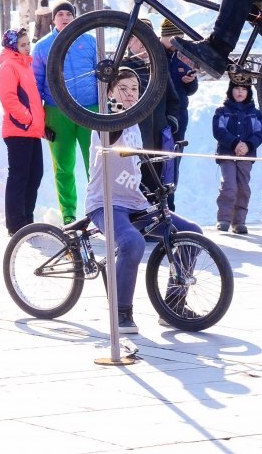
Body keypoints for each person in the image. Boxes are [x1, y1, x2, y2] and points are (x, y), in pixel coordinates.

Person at [84, 68, 202, 334]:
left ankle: (173, 304)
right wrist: (115, 109)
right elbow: (111, 132)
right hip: (106, 202)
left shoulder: (136, 122)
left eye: (134, 90)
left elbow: (139, 163)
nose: (130, 94)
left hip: (135, 202)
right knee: (132, 242)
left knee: (192, 232)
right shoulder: (107, 122)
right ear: (111, 92)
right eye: (123, 89)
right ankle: (121, 312)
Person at [31, 1, 97, 224]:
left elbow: (104, 76)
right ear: (53, 19)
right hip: (57, 112)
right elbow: (35, 86)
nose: (65, 17)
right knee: (63, 167)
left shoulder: (89, 42)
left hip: (90, 110)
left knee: (95, 165)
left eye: (69, 13)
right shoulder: (42, 47)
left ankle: (98, 211)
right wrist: (40, 121)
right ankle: (69, 215)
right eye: (60, 14)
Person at [123, 22, 181, 198]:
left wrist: (170, 122)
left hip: (159, 140)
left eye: (147, 36)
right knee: (136, 189)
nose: (142, 41)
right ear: (128, 42)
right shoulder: (123, 68)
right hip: (133, 141)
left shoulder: (158, 66)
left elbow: (173, 100)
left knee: (160, 187)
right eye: (137, 37)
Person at [0, 27, 45, 235]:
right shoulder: (9, 66)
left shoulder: (25, 65)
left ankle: (27, 219)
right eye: (22, 44)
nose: (27, 48)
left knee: (35, 174)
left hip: (31, 130)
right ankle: (16, 225)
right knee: (19, 177)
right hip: (18, 130)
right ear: (12, 46)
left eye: (28, 44)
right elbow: (8, 98)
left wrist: (38, 123)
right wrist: (27, 119)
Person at [212, 79, 262, 234]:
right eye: (236, 88)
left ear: (249, 92)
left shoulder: (255, 113)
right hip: (227, 154)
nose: (240, 92)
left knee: (243, 188)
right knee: (229, 186)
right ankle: (224, 219)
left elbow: (260, 132)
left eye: (244, 89)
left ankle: (239, 221)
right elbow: (218, 131)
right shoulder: (221, 110)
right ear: (230, 90)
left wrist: (248, 145)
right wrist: (234, 143)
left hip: (246, 156)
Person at [160, 19, 199, 210]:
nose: (177, 44)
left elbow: (191, 89)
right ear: (163, 37)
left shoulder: (183, 55)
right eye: (174, 39)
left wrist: (190, 81)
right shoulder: (155, 53)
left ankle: (170, 204)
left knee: (174, 160)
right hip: (160, 113)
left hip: (180, 114)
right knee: (157, 158)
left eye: (180, 40)